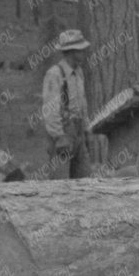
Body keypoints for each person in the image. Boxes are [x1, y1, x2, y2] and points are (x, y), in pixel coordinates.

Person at [40, 29, 101, 177]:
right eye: (80, 50)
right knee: (60, 184)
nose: (83, 53)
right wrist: (59, 137)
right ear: (71, 52)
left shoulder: (79, 73)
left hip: (78, 130)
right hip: (63, 131)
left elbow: (82, 104)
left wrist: (87, 130)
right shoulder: (55, 74)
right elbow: (50, 109)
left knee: (85, 180)